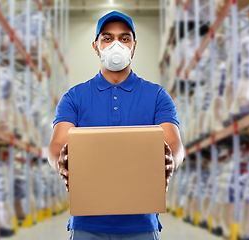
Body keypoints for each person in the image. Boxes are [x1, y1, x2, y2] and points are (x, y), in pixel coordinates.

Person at [48, 11, 184, 240]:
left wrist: (173, 159)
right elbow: (57, 144)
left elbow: (174, 143)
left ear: (134, 45)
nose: (116, 45)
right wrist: (59, 161)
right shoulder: (74, 97)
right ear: (96, 46)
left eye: (124, 38)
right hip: (86, 224)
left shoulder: (157, 95)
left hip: (142, 224)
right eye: (107, 38)